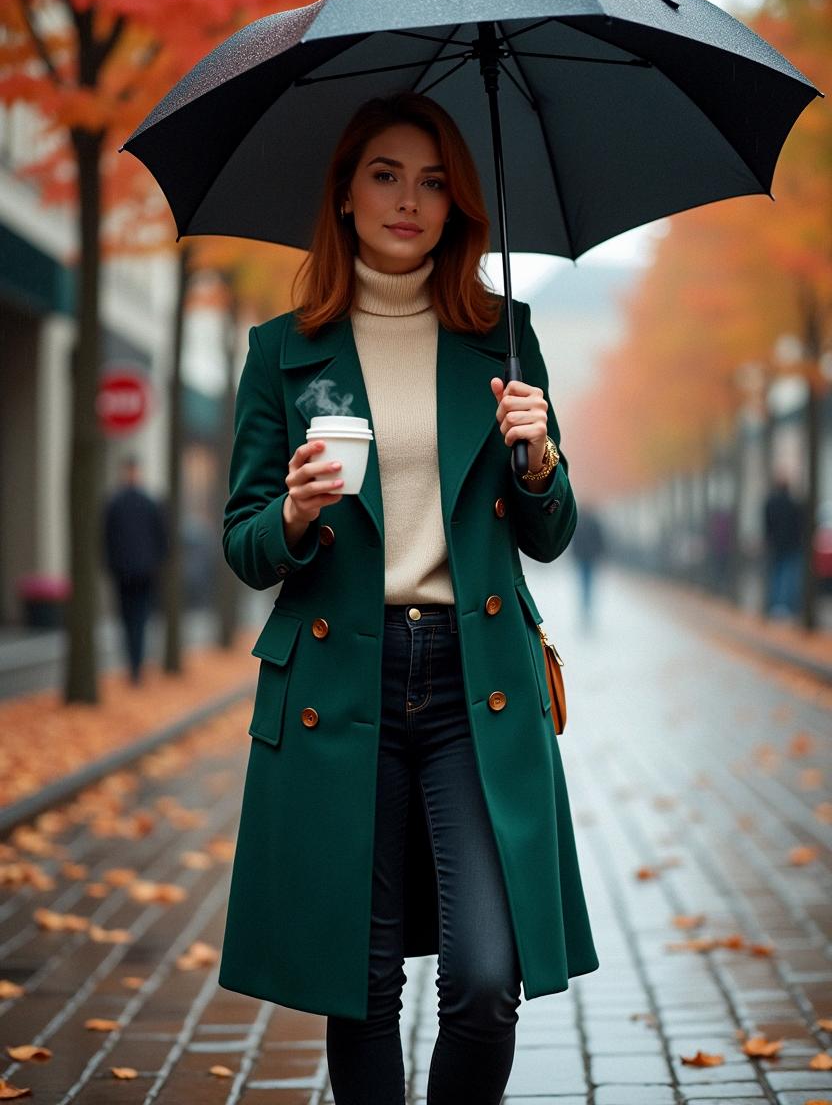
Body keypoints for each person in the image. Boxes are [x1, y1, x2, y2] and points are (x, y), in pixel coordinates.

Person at [217, 91, 599, 1105]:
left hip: (478, 683)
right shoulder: (283, 350)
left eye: (432, 181)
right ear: (344, 194)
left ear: (458, 204)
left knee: (483, 976)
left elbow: (550, 535)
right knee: (362, 984)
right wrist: (292, 518)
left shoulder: (503, 339)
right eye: (384, 174)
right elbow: (244, 546)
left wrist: (538, 458)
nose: (408, 200)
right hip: (341, 680)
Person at [102, 454, 169, 684]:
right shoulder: (121, 503)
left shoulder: (134, 502)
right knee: (130, 619)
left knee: (137, 619)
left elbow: (161, 537)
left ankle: (136, 667)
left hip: (140, 572)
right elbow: (107, 538)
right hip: (130, 572)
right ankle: (134, 666)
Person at [763, 472, 805, 618]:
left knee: (776, 575)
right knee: (790, 576)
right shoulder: (794, 503)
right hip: (792, 545)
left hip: (776, 545)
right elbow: (800, 525)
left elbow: (767, 525)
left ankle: (776, 605)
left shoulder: (770, 503)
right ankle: (787, 606)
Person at [570, 502, 605, 629]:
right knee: (587, 584)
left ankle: (586, 609)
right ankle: (587, 609)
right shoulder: (593, 523)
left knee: (585, 584)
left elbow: (574, 541)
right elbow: (600, 541)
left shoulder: (579, 523)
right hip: (588, 558)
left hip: (584, 558)